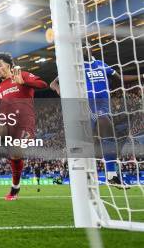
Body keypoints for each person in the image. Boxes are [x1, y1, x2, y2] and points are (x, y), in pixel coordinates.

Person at [50, 50, 141, 189]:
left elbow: (120, 79)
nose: (82, 48)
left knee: (99, 141)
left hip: (104, 106)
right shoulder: (76, 66)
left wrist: (141, 76)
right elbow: (53, 83)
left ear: (90, 48)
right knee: (105, 126)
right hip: (87, 106)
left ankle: (100, 171)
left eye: (84, 45)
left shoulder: (101, 64)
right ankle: (110, 175)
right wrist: (60, 90)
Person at [0, 52, 48, 200]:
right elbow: (1, 111)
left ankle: (15, 188)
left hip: (25, 124)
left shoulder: (21, 75)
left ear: (9, 65)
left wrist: (23, 82)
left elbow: (42, 84)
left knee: (15, 155)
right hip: (8, 122)